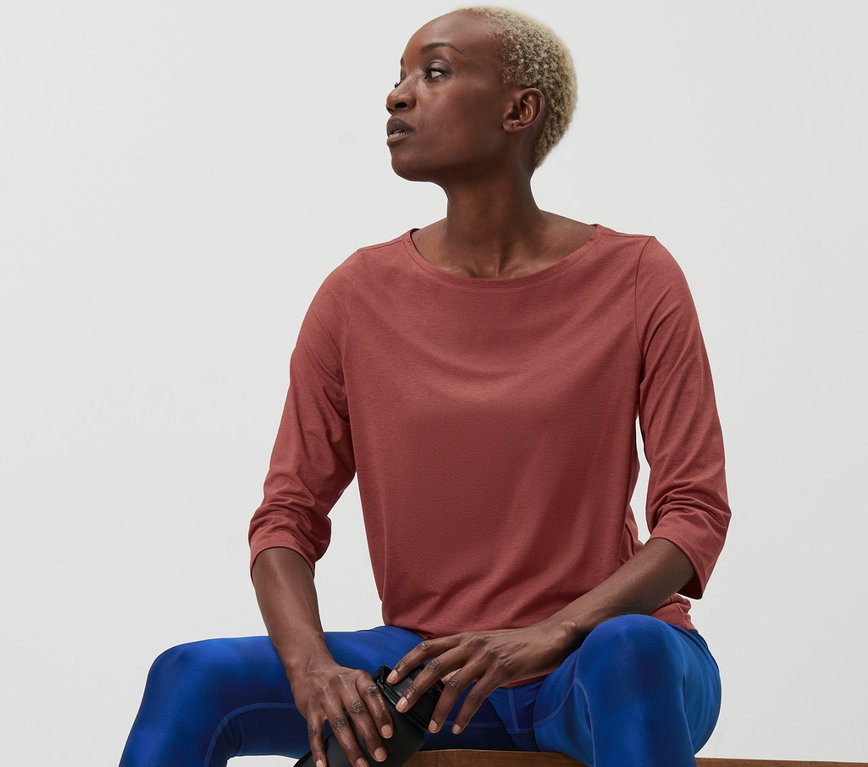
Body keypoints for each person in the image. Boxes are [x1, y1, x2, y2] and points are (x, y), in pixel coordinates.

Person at [119, 7, 730, 767]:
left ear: (519, 109)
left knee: (632, 649)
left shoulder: (637, 277)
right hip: (434, 671)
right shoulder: (356, 295)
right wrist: (311, 667)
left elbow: (694, 513)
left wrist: (555, 632)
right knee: (190, 675)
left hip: (597, 663)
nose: (398, 97)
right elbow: (286, 517)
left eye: (433, 73)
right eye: (399, 77)